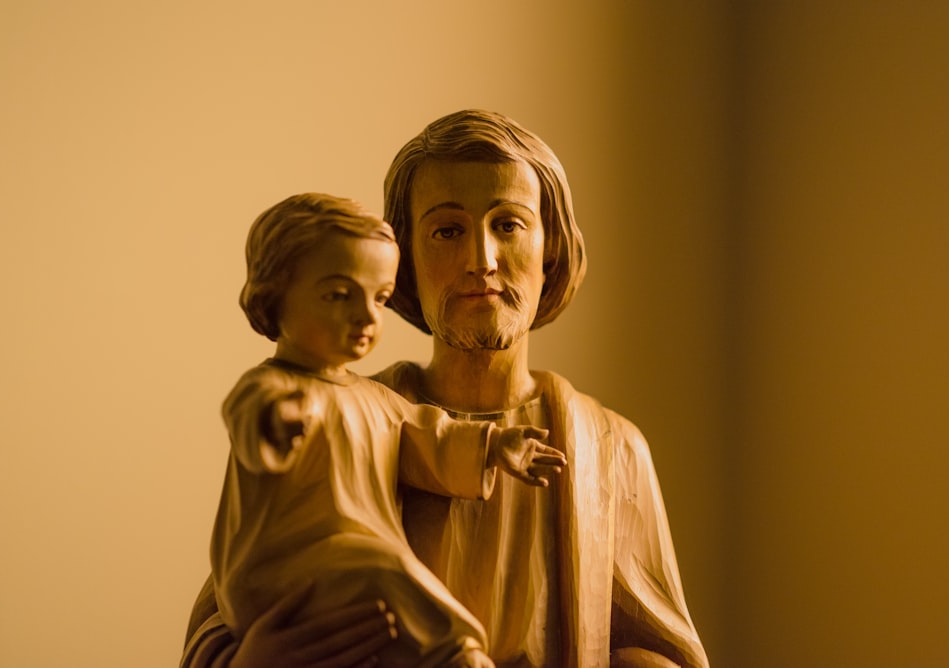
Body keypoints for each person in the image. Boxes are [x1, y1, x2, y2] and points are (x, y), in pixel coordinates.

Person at [182, 111, 709, 667]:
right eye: (447, 231)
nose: (481, 261)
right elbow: (241, 598)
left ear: (550, 246)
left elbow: (658, 649)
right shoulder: (336, 417)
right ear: (405, 256)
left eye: (508, 224)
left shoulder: (612, 451)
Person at [199, 192, 566, 668]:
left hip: (350, 582)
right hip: (282, 577)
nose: (367, 316)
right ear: (275, 295)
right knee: (385, 565)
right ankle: (454, 654)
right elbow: (250, 413)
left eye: (379, 298)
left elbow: (429, 433)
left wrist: (495, 445)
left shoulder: (375, 399)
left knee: (380, 580)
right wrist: (277, 424)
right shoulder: (274, 389)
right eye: (338, 295)